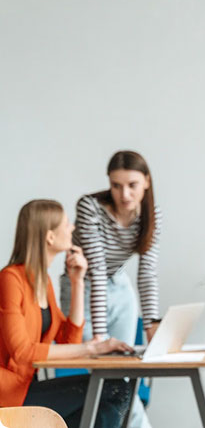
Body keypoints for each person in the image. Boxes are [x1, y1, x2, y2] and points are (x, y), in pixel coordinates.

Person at [0, 199, 133, 427]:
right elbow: (22, 352)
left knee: (109, 396)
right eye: (66, 223)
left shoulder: (43, 281)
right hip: (9, 394)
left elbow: (68, 340)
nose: (72, 228)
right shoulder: (10, 279)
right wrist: (92, 348)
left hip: (27, 388)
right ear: (50, 237)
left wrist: (77, 281)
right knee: (113, 388)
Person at [59, 150, 162, 428]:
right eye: (116, 185)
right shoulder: (90, 207)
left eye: (132, 185)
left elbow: (147, 273)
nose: (124, 194)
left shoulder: (151, 215)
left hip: (119, 285)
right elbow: (96, 268)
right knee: (108, 371)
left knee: (123, 374)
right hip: (83, 287)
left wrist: (152, 324)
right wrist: (101, 336)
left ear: (147, 182)